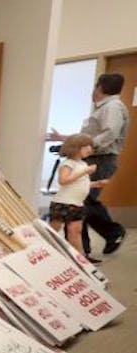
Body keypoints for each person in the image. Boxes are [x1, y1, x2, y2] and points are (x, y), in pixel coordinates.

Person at [48, 73, 129, 257]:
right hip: (96, 157)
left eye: (95, 86)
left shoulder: (112, 107)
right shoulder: (104, 108)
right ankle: (81, 251)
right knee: (78, 201)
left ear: (100, 88)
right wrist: (64, 139)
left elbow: (108, 135)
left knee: (80, 201)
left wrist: (83, 149)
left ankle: (110, 234)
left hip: (101, 159)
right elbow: (90, 136)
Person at [48, 134, 106, 257]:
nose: (91, 149)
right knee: (53, 230)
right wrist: (84, 172)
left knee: (75, 231)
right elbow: (63, 180)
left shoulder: (83, 164)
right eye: (87, 146)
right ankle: (46, 250)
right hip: (63, 203)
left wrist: (95, 184)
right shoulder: (68, 164)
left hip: (77, 204)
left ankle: (78, 257)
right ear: (77, 147)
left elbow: (80, 183)